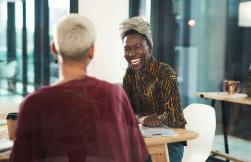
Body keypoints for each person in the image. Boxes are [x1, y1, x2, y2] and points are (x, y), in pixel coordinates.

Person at [10, 14, 149, 162]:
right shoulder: (116, 96)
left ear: (53, 48)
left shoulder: (32, 105)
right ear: (91, 51)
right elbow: (142, 158)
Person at [119, 16, 186, 162]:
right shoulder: (129, 75)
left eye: (137, 47)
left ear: (148, 45)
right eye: (127, 49)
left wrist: (152, 119)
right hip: (142, 140)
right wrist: (142, 119)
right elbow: (125, 112)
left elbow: (174, 117)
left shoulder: (165, 73)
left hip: (169, 144)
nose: (131, 54)